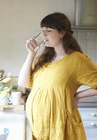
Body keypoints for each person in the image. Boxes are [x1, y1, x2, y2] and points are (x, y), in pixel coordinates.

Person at [18, 12, 97, 140]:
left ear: (62, 33)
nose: (44, 34)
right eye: (42, 30)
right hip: (40, 128)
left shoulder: (77, 60)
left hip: (61, 128)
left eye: (49, 30)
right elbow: (23, 82)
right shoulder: (42, 59)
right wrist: (31, 54)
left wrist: (77, 96)